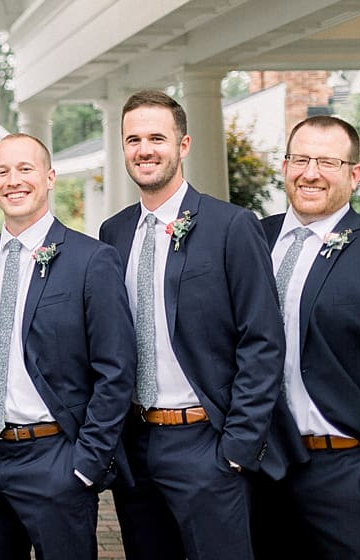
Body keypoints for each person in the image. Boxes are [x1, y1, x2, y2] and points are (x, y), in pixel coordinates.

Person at [98, 89, 298, 560]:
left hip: (206, 444)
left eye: (156, 138)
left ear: (183, 145)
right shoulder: (114, 232)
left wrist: (236, 448)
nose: (144, 150)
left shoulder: (231, 226)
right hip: (136, 443)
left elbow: (263, 340)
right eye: (133, 140)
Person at [0, 133, 134, 560]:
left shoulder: (92, 260)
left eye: (25, 169)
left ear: (50, 177)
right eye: (2, 172)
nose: (13, 181)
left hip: (55, 458)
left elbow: (117, 369)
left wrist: (85, 463)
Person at [250, 115, 360, 559]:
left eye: (327, 162)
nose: (310, 173)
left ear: (355, 173)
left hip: (351, 473)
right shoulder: (251, 239)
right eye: (300, 159)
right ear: (285, 165)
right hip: (260, 472)